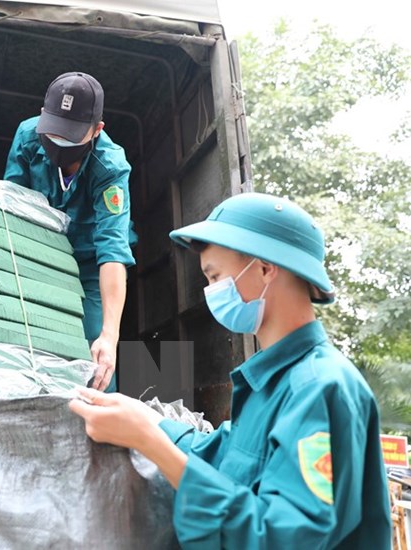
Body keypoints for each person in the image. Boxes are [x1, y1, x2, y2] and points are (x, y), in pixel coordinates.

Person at [69, 193, 391, 547]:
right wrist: (148, 420)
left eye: (215, 276)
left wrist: (150, 441)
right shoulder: (274, 382)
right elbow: (225, 454)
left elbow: (280, 539)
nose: (211, 292)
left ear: (266, 268)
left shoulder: (319, 388)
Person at [4, 72, 137, 392]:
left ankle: (102, 431)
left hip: (90, 264)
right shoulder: (27, 137)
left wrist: (110, 335)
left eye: (72, 137)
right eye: (53, 133)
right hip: (38, 258)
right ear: (42, 117)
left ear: (97, 130)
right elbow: (10, 210)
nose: (59, 145)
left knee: (96, 354)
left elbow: (113, 252)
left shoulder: (110, 167)